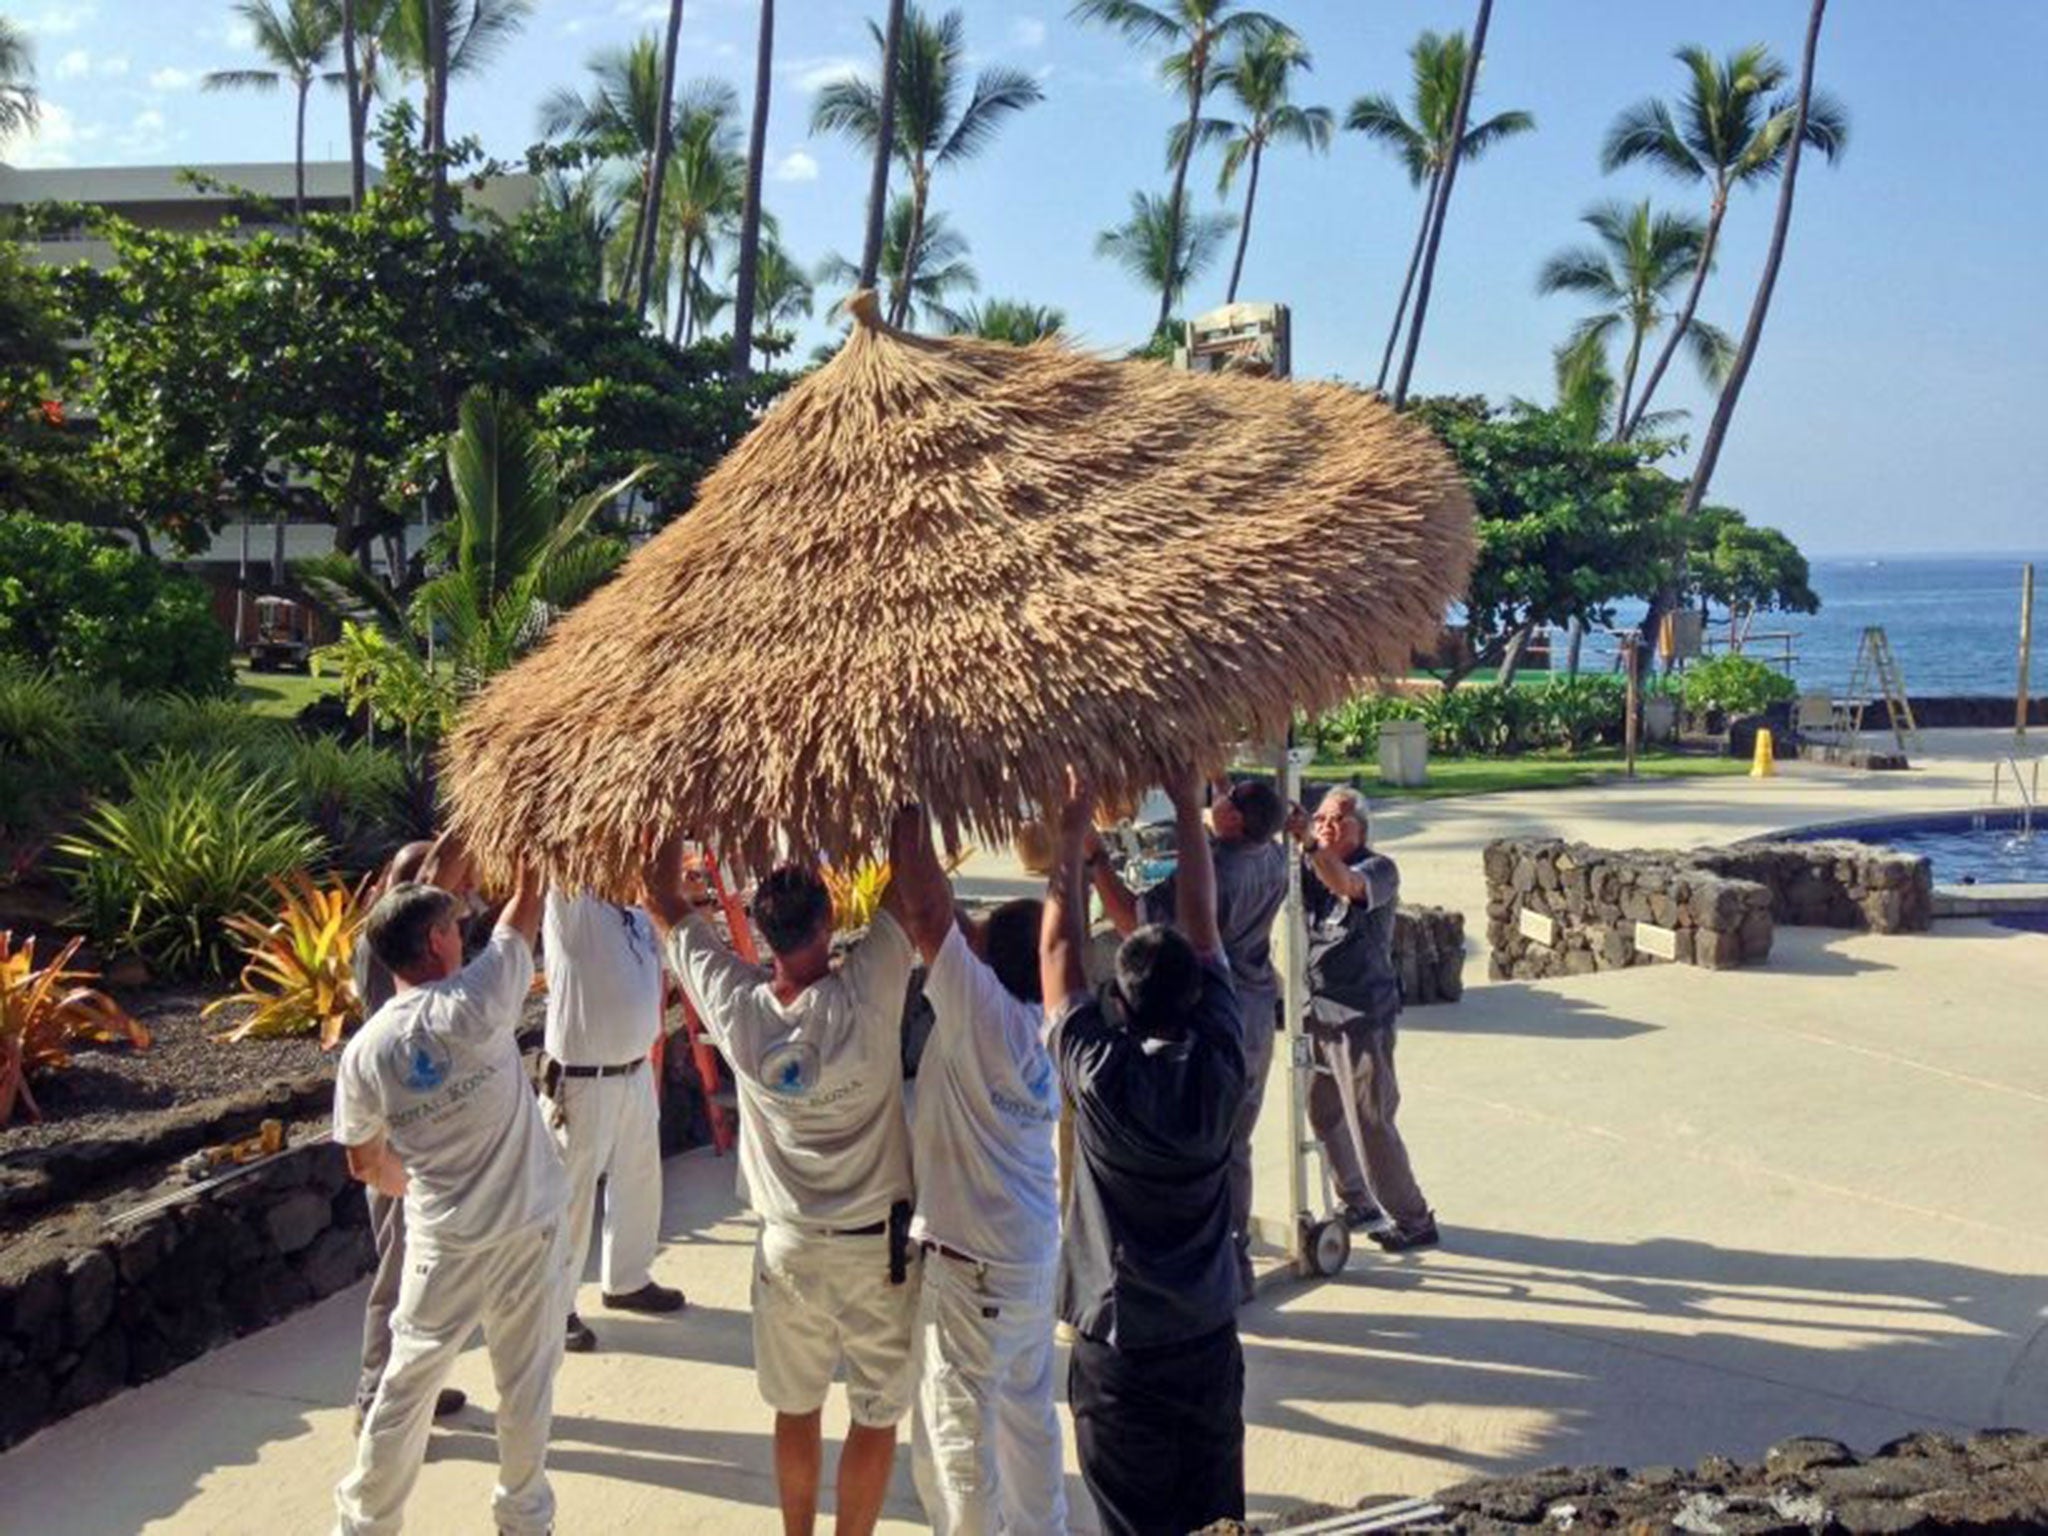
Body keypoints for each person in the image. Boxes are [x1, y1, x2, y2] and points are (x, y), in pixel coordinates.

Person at [643, 818, 923, 1536]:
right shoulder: (870, 993)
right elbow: (915, 879)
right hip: (875, 1251)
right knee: (876, 1413)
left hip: (787, 1250)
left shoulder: (737, 1011)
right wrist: (903, 803)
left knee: (795, 1408)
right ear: (830, 919)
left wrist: (667, 817)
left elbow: (661, 896)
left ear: (761, 931)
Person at [332, 858, 569, 1536]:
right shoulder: (478, 1001)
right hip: (526, 1229)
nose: (465, 934)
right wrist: (536, 853)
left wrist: (413, 1184)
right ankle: (524, 1519)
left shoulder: (366, 1050)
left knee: (407, 1388)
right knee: (524, 1386)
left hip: (442, 1238)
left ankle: (364, 1523)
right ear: (435, 942)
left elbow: (361, 1159)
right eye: (455, 926)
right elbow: (524, 910)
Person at [1045, 764, 1247, 1536]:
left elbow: (1060, 946)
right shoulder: (1223, 1061)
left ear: (1120, 1004)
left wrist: (1070, 839)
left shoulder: (1102, 1075)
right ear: (1198, 996)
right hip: (1204, 1336)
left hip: (1121, 1346)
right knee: (1216, 1518)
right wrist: (1192, 815)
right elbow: (1206, 933)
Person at [886, 808, 1066, 1535]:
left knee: (956, 1435)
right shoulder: (1049, 1020)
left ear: (988, 963)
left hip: (974, 1273)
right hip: (1027, 1257)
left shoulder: (982, 1016)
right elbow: (949, 921)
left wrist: (906, 811)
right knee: (1027, 1421)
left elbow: (931, 911)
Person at [1088, 775, 1287, 1301]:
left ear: (1236, 819)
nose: (1217, 799)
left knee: (1195, 1150)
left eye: (1228, 797)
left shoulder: (1214, 870)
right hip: (1255, 1014)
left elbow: (1135, 921)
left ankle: (1202, 1262)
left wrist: (1094, 865)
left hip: (1213, 1018)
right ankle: (1235, 1254)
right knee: (1236, 1142)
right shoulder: (1272, 857)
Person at [350, 837, 468, 1433]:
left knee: (425, 1279)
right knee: (400, 1276)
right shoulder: (383, 947)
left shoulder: (405, 941)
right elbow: (441, 878)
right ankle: (375, 1397)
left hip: (419, 1129)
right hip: (398, 1143)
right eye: (410, 878)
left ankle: (418, 1383)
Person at [540, 890, 685, 1355]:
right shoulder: (572, 909)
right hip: (584, 1082)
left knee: (639, 1180)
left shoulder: (637, 916)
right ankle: (552, 1309)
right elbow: (562, 847)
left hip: (634, 1071)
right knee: (569, 1200)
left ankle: (627, 1279)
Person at [1293, 787, 1438, 1252]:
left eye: (1337, 820)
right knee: (1324, 1113)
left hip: (1362, 1015)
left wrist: (1311, 845)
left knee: (1371, 1122)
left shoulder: (1379, 870)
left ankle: (1414, 1219)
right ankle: (1357, 1199)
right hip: (1320, 1011)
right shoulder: (1310, 867)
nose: (1326, 826)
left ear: (1361, 828)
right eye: (1319, 819)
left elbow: (1347, 886)